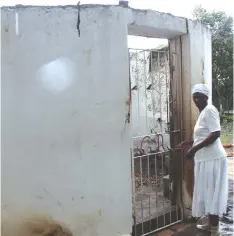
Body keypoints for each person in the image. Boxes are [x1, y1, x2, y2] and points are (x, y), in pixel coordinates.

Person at [177, 84, 228, 236]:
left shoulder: (210, 110)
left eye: (199, 96)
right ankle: (209, 224)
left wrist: (193, 150)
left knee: (212, 193)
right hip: (205, 160)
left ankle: (215, 229)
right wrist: (190, 143)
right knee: (206, 192)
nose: (196, 99)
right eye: (194, 97)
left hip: (213, 159)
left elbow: (215, 133)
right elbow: (203, 135)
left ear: (207, 97)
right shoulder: (203, 113)